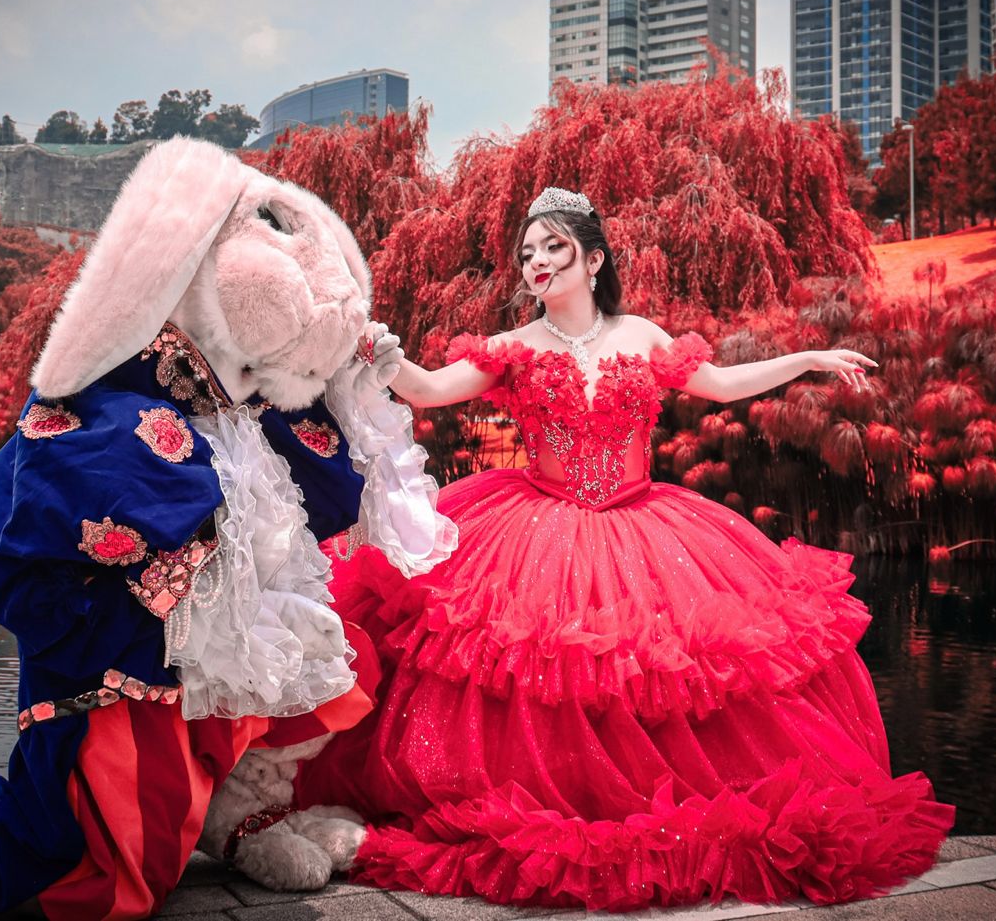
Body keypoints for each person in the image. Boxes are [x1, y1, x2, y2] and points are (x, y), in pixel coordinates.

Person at [296, 187, 954, 911]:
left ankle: (654, 805)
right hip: (537, 529)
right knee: (538, 669)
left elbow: (721, 384)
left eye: (554, 247)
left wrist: (807, 357)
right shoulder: (515, 346)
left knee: (666, 672)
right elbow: (427, 390)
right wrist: (378, 352)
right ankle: (560, 802)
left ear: (594, 259)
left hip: (644, 525)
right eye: (528, 252)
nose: (538, 262)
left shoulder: (639, 334)